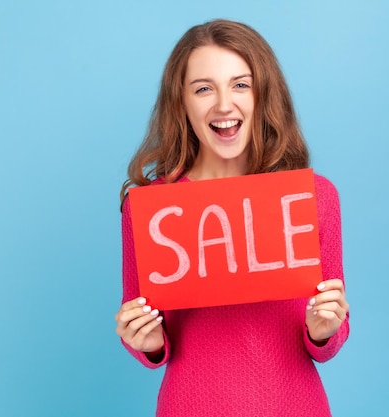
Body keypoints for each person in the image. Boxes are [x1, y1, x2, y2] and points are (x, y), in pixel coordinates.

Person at [114, 19, 350, 417]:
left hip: (292, 405)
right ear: (181, 102)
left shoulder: (311, 199)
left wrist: (324, 328)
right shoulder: (153, 209)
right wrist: (146, 339)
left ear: (263, 95)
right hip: (190, 405)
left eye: (241, 84)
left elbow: (332, 331)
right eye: (204, 89)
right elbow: (149, 338)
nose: (224, 104)